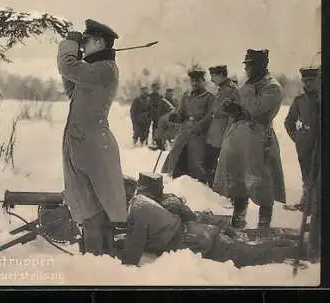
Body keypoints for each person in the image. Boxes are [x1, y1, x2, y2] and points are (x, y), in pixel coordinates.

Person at [120, 172, 302, 268]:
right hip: (199, 232)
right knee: (251, 246)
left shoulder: (138, 209)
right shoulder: (143, 203)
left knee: (251, 254)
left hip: (198, 240)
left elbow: (132, 253)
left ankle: (301, 249)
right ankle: (294, 241)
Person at [57, 19, 127, 256]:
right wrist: (75, 51)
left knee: (96, 208)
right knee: (88, 208)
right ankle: (96, 259)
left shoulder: (105, 68)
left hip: (94, 146)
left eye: (85, 42)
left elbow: (68, 67)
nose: (84, 47)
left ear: (99, 42)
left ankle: (100, 264)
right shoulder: (93, 70)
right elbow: (71, 88)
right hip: (82, 145)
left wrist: (69, 46)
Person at [213, 49, 286, 229]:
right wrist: (234, 110)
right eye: (246, 65)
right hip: (240, 139)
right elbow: (245, 109)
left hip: (259, 140)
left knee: (262, 183)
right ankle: (238, 221)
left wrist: (243, 101)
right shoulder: (250, 84)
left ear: (262, 66)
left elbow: (255, 109)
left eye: (251, 65)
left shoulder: (272, 86)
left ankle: (263, 225)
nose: (247, 69)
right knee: (239, 183)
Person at [283, 66, 321, 260]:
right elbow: (288, 122)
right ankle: (308, 200)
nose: (307, 83)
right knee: (308, 179)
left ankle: (313, 210)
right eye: (305, 80)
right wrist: (298, 138)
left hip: (321, 148)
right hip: (306, 148)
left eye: (311, 80)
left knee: (318, 186)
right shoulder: (299, 101)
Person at [160, 69, 215, 184]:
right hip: (184, 130)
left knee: (196, 159)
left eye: (198, 81)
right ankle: (174, 180)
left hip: (199, 133)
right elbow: (180, 114)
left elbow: (210, 116)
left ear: (203, 81)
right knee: (176, 153)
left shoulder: (209, 97)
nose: (194, 83)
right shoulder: (186, 96)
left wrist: (199, 126)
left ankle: (200, 184)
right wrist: (174, 118)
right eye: (192, 81)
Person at [204, 65, 240, 187]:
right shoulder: (221, 88)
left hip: (224, 129)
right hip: (216, 131)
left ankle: (222, 189)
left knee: (223, 162)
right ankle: (214, 187)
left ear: (220, 75)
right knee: (211, 160)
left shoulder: (231, 89)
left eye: (213, 76)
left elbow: (234, 110)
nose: (212, 79)